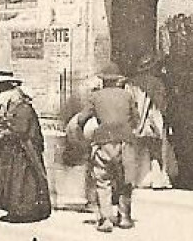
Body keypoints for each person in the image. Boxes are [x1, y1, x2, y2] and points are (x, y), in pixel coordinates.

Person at [0, 72, 52, 223]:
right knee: (18, 179)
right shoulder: (17, 103)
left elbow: (20, 130)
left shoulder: (20, 106)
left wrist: (3, 131)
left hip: (24, 149)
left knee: (22, 180)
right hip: (20, 147)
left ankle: (23, 210)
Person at [73, 62, 140, 232]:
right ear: (118, 80)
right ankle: (124, 217)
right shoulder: (127, 96)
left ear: (103, 80)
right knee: (126, 180)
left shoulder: (95, 97)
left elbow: (82, 119)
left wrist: (80, 131)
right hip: (125, 142)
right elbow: (136, 119)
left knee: (103, 180)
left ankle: (106, 219)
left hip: (103, 142)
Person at [129, 54, 178, 189]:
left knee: (139, 149)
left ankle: (139, 178)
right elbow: (161, 104)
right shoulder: (157, 83)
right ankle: (157, 179)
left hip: (136, 120)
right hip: (152, 119)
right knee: (156, 150)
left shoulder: (131, 83)